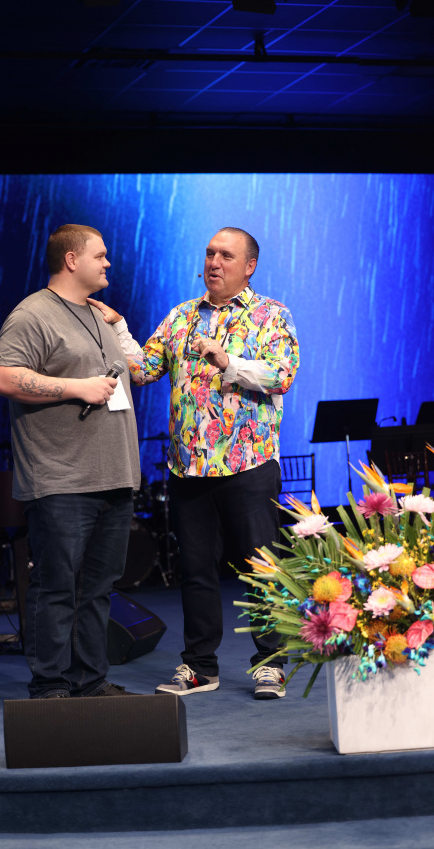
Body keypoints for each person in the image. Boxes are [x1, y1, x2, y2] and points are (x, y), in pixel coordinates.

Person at [88, 227, 299, 700]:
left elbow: (281, 376)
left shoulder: (271, 315)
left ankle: (271, 664)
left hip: (249, 464)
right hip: (189, 468)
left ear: (249, 267)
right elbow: (143, 370)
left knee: (262, 568)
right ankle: (200, 666)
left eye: (226, 255)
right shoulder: (181, 316)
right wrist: (118, 328)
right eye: (209, 253)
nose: (214, 262)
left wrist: (229, 361)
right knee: (197, 572)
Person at [0, 224, 141, 699]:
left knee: (97, 588)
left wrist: (120, 326)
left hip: (113, 476)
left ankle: (89, 681)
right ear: (72, 260)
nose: (108, 263)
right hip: (62, 478)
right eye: (100, 255)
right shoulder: (32, 314)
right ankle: (51, 686)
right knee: (57, 586)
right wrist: (77, 387)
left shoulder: (99, 315)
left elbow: (137, 371)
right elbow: (7, 378)